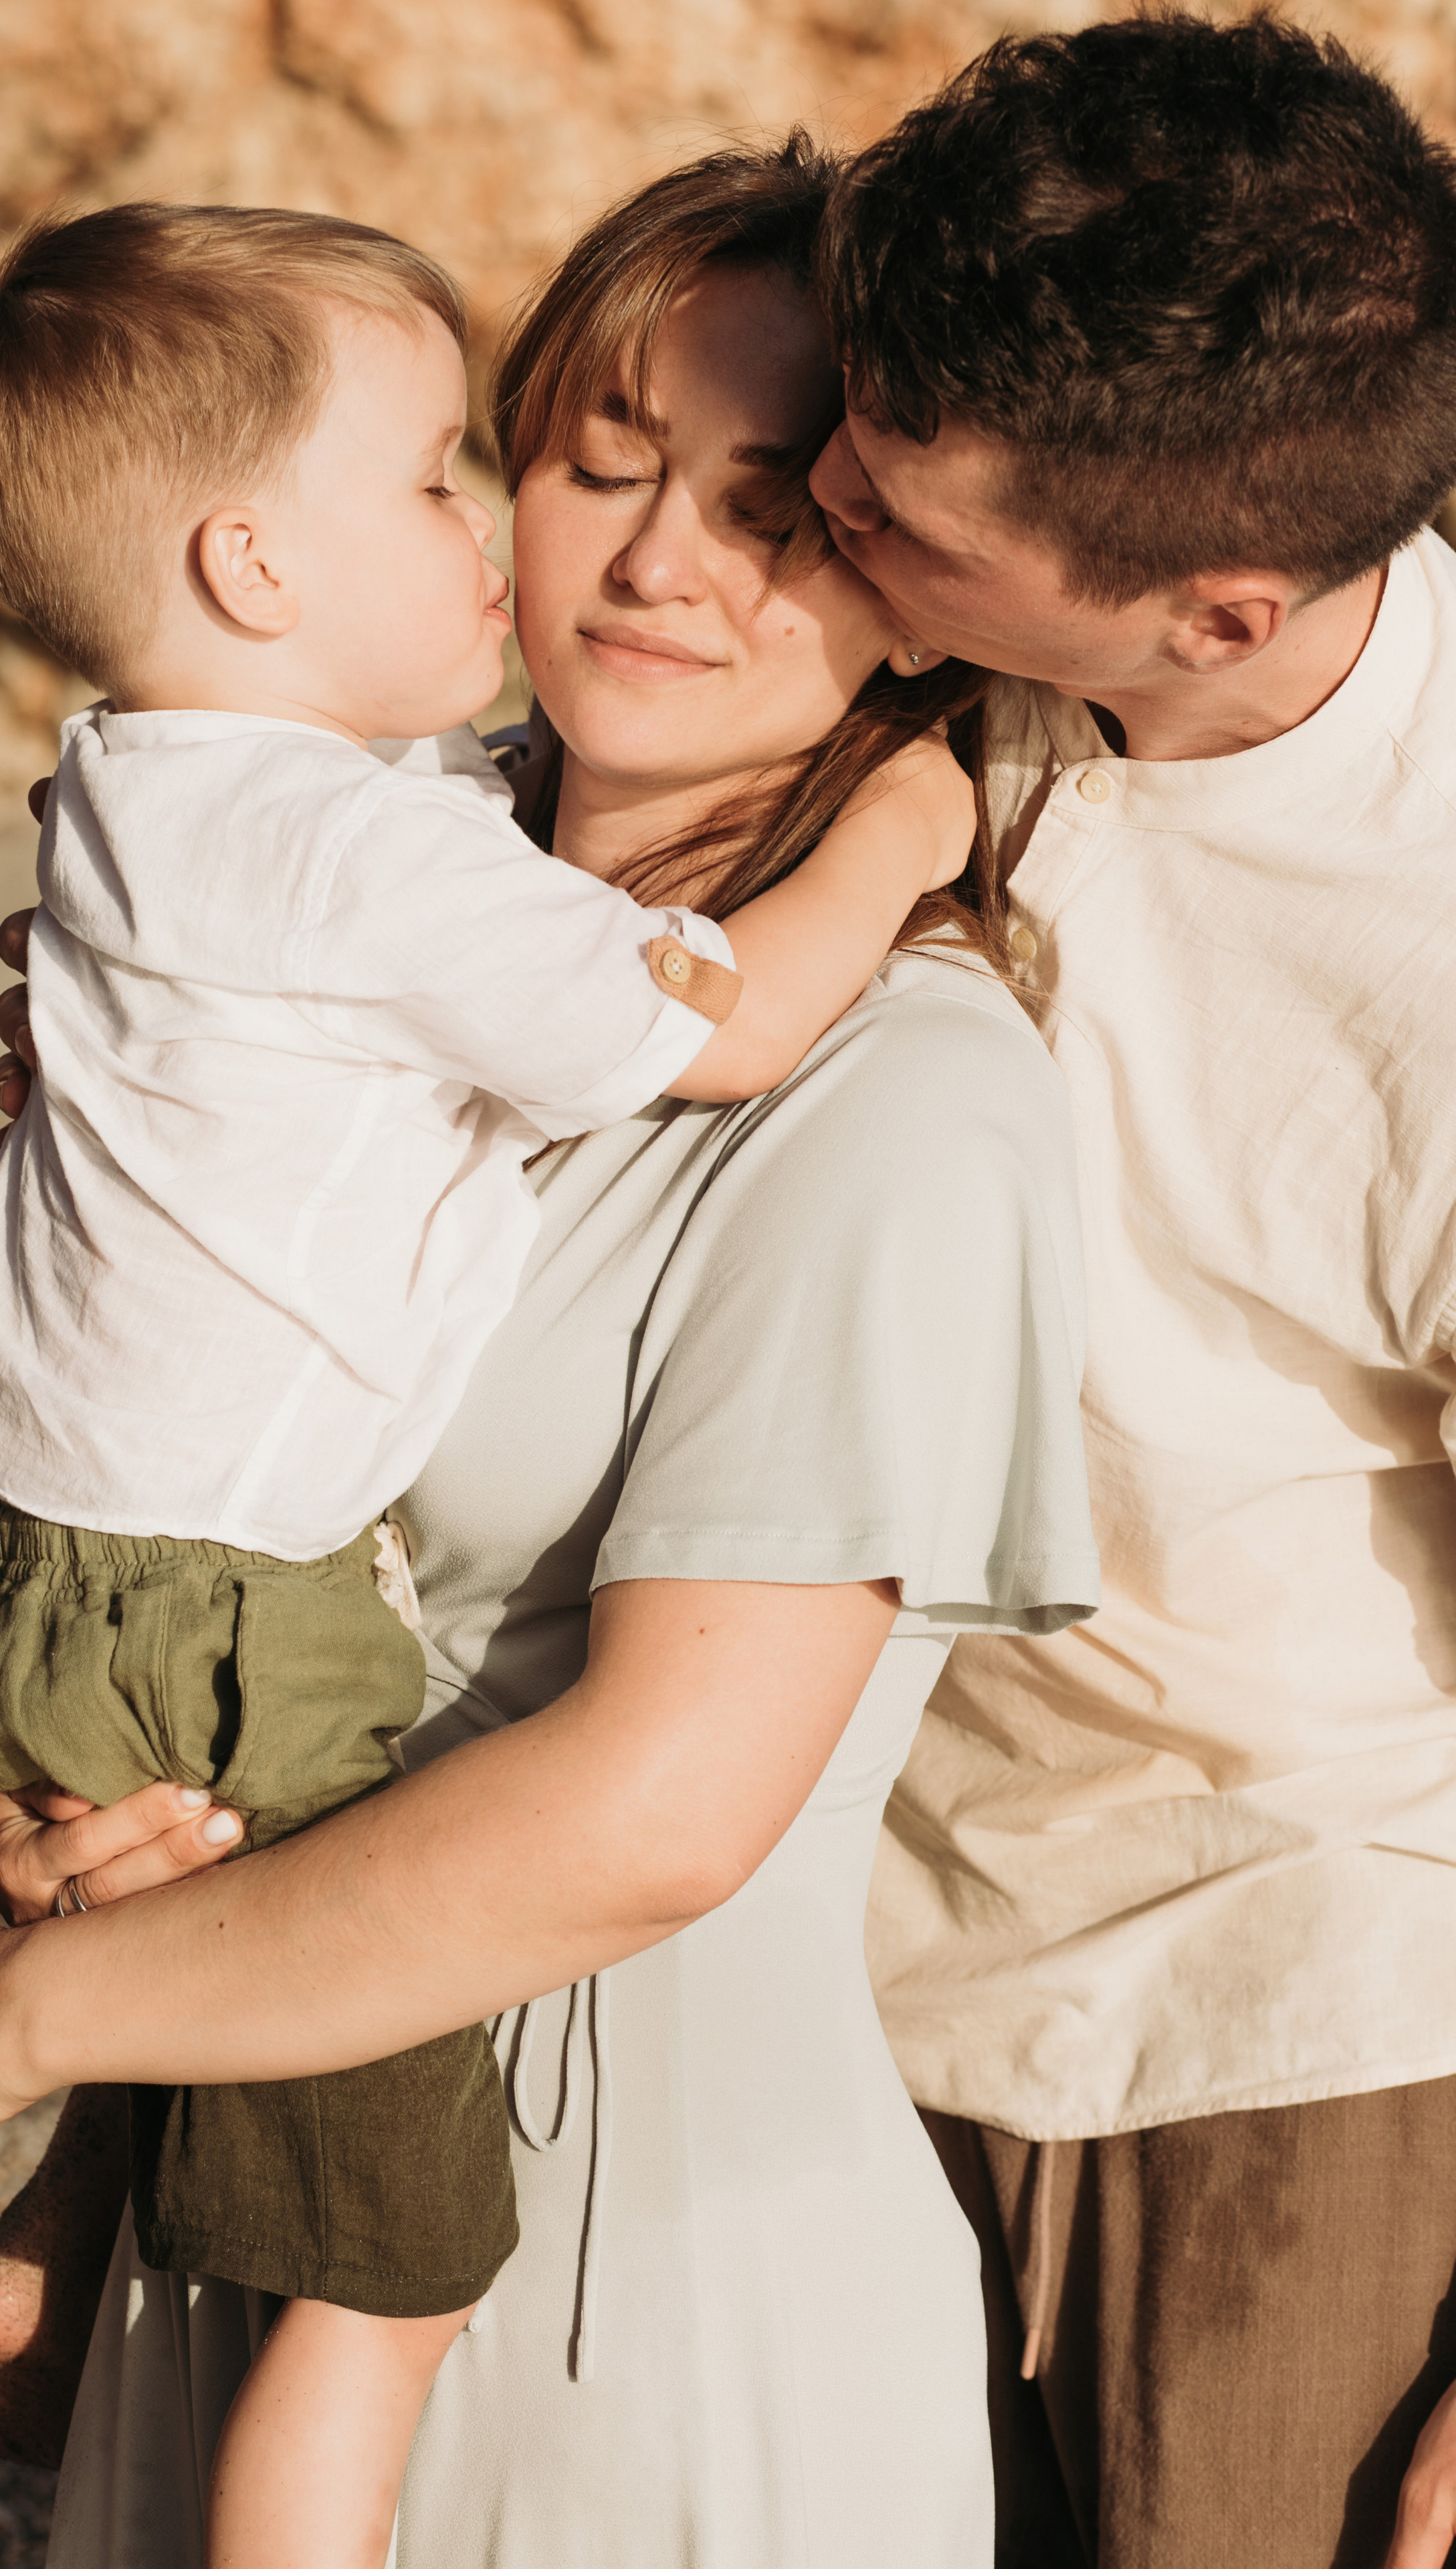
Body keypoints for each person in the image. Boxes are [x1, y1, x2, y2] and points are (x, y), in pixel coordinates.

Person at [0, 136, 1101, 2566]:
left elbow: (652, 1813)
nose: (654, 562)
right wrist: (93, 1842)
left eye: (780, 512)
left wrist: (17, 2030)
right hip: (246, 2184)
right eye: (590, 462)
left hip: (620, 2282)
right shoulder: (334, 979)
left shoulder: (903, 1101)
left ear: (928, 588)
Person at [805, 18, 1456, 2568]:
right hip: (823, 1916)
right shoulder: (959, 658)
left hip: (1290, 2008)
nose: (818, 500)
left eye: (901, 503)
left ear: (1217, 604)